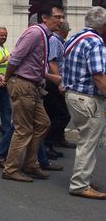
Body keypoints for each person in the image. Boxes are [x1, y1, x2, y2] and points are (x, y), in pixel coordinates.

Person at [1, 4, 63, 182]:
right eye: (57, 17)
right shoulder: (35, 33)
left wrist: (50, 77)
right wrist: (7, 77)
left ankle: (30, 164)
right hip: (24, 85)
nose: (60, 20)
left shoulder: (45, 36)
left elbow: (34, 63)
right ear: (44, 18)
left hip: (33, 86)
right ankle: (11, 169)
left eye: (61, 17)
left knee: (43, 124)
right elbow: (16, 58)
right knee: (23, 129)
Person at [63, 7, 106, 199]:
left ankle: (83, 179)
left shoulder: (75, 38)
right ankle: (80, 184)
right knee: (88, 143)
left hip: (73, 95)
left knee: (86, 140)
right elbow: (99, 77)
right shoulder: (96, 42)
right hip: (88, 98)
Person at [44, 21, 74, 158]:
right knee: (61, 115)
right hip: (53, 83)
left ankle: (54, 140)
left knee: (56, 114)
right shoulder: (55, 41)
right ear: (65, 30)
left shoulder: (59, 41)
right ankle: (48, 143)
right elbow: (52, 62)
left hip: (55, 82)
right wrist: (59, 82)